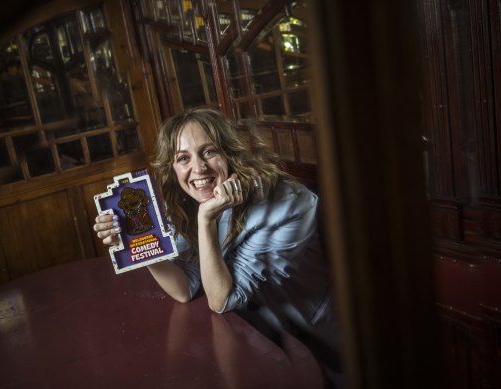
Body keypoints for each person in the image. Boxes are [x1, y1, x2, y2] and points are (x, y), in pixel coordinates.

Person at [93, 107, 344, 388]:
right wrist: (139, 245)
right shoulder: (186, 205)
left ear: (230, 154)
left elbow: (222, 299)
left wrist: (206, 220)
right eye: (183, 158)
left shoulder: (288, 202)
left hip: (324, 343)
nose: (198, 169)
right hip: (255, 339)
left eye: (209, 152)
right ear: (172, 168)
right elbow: (184, 289)